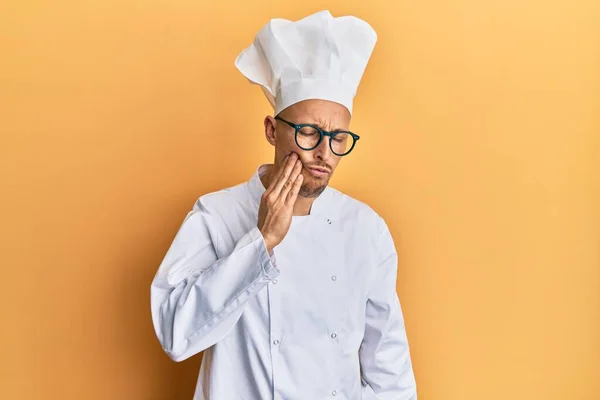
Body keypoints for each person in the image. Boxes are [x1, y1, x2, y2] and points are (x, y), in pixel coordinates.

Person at [150, 10, 417, 400]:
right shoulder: (217, 215)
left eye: (339, 138)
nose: (324, 153)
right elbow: (175, 335)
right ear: (272, 131)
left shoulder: (365, 229)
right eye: (310, 132)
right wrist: (260, 242)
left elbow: (389, 371)